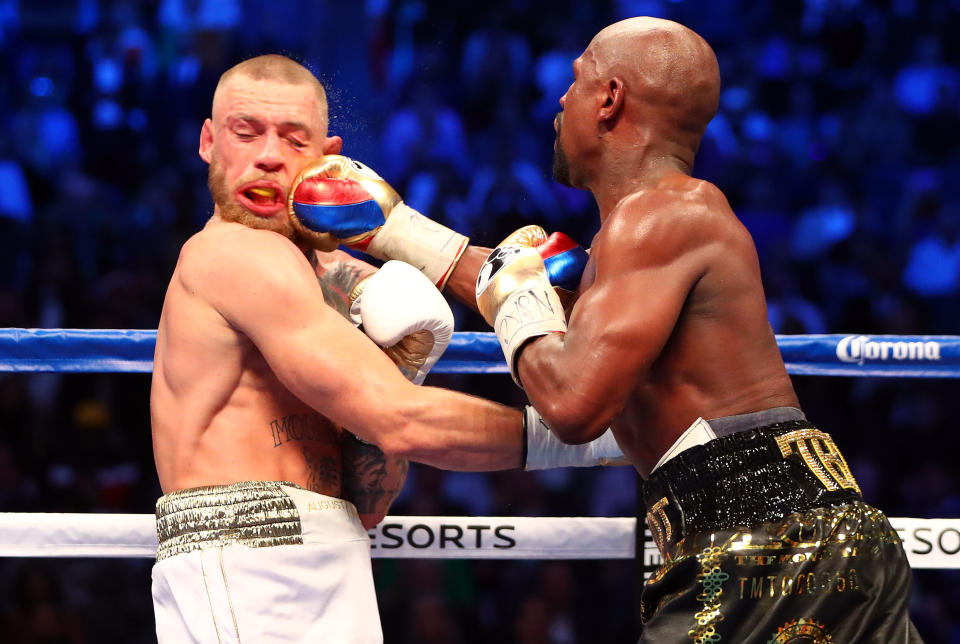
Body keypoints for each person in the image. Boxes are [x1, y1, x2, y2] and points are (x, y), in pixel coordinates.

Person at [298, 18, 921, 643]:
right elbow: (527, 298)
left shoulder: (661, 215)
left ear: (610, 99)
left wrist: (523, 300)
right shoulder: (652, 233)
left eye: (576, 81)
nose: (562, 100)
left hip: (760, 543)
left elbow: (572, 402)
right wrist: (397, 230)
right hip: (790, 534)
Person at [150, 54, 626, 644]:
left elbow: (370, 498)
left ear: (328, 157)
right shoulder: (232, 255)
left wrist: (440, 277)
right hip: (248, 561)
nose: (269, 155)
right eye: (246, 133)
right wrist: (592, 441)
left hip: (328, 543)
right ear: (208, 140)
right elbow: (400, 420)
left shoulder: (323, 272)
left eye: (293, 139)